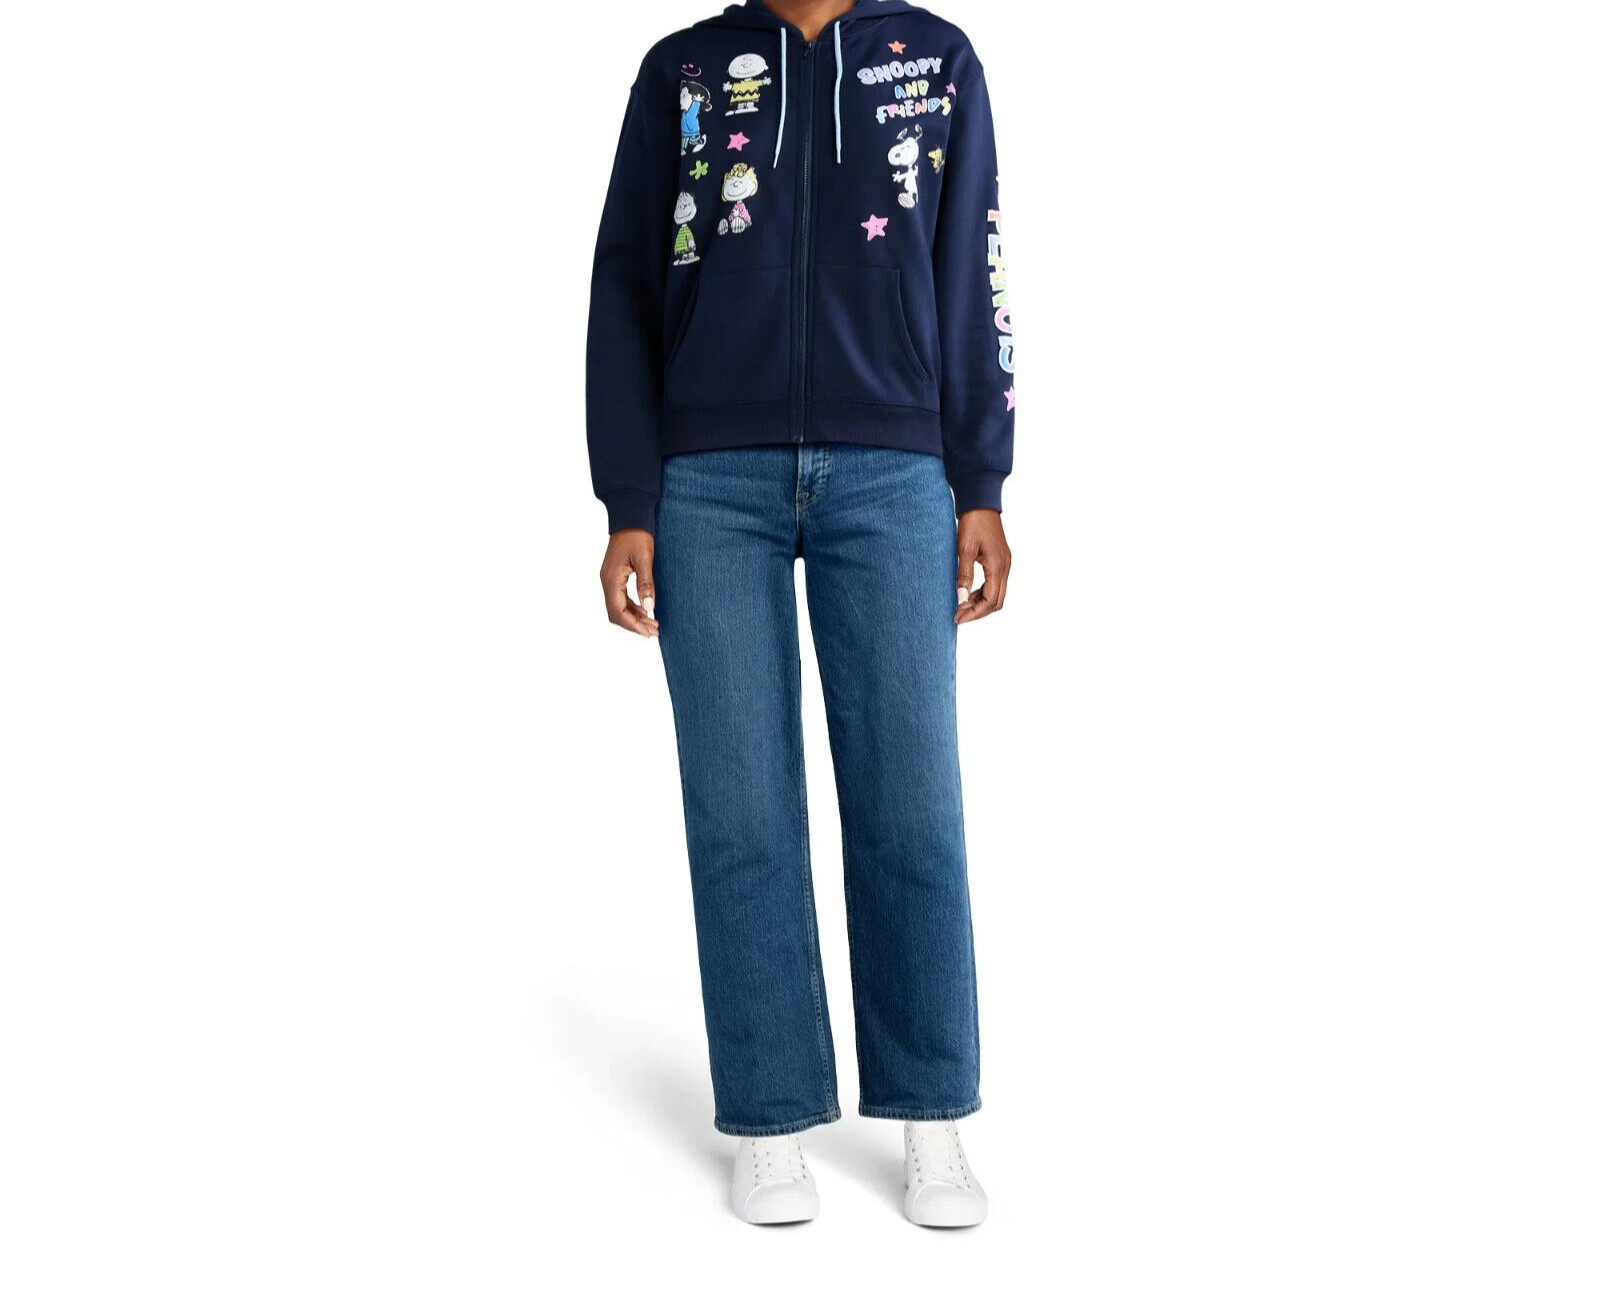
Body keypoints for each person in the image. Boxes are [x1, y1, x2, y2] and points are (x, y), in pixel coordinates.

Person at [585, 0, 1013, 1227]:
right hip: (706, 483)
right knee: (739, 809)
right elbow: (624, 278)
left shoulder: (933, 60)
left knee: (910, 803)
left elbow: (972, 261)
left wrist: (980, 481)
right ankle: (771, 1116)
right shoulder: (682, 69)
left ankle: (931, 1112)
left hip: (895, 474)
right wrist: (628, 497)